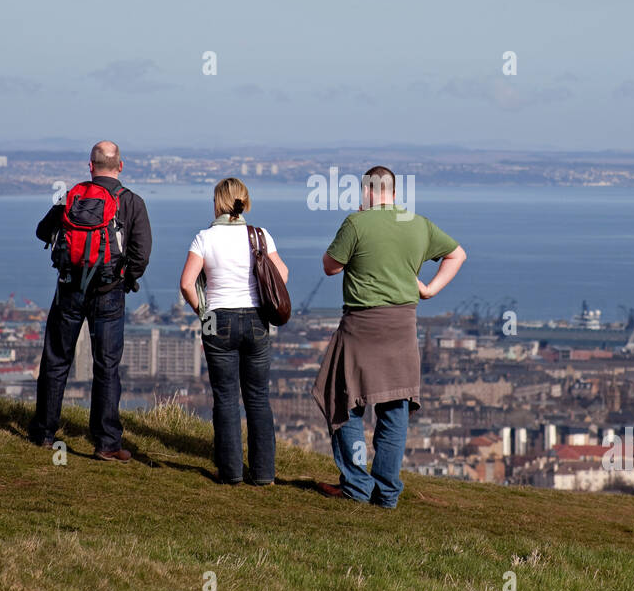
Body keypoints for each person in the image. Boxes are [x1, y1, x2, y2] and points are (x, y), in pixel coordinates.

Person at [311, 166, 466, 508]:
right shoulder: (418, 223)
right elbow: (457, 254)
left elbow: (330, 266)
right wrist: (428, 290)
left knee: (343, 400)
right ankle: (386, 492)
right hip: (402, 326)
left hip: (362, 325)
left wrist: (358, 225)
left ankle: (356, 484)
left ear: (366, 191)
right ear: (394, 193)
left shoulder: (356, 223)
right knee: (395, 406)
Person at [29, 141, 152, 461]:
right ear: (120, 166)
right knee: (106, 366)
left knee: (56, 360)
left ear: (90, 166)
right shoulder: (131, 202)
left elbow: (43, 232)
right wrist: (126, 278)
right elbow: (141, 252)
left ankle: (43, 432)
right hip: (109, 292)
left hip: (69, 289)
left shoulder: (73, 197)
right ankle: (106, 443)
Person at [180, 178, 289, 485]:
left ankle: (230, 473)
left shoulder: (204, 238)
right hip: (256, 318)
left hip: (218, 319)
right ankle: (264, 473)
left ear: (217, 203)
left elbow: (187, 284)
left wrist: (204, 314)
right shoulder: (260, 235)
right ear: (246, 202)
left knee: (226, 398)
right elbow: (283, 273)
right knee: (258, 397)